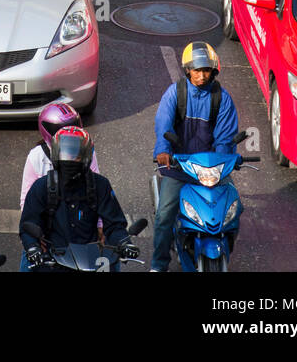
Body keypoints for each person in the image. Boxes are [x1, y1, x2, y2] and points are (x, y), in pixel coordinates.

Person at [150, 41, 239, 273]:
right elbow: (163, 125)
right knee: (164, 216)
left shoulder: (222, 99)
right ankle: (159, 265)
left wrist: (224, 162)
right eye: (197, 70)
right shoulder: (175, 93)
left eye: (206, 70)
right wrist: (163, 150)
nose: (201, 75)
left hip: (210, 169)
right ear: (187, 70)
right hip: (179, 166)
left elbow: (225, 137)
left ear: (213, 71)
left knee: (234, 211)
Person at [19, 126, 131, 272]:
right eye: (65, 154)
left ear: (86, 157)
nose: (70, 160)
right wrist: (33, 247)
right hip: (52, 262)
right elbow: (28, 225)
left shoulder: (100, 185)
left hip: (91, 262)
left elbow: (115, 224)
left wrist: (124, 243)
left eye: (75, 155)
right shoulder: (41, 187)